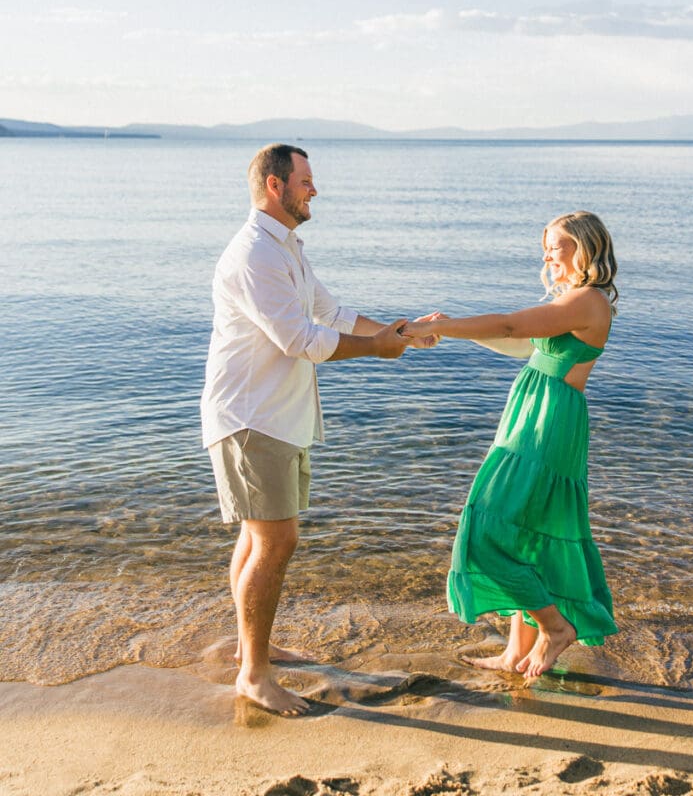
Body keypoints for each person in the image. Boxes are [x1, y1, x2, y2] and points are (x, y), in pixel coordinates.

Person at [201, 143, 434, 716]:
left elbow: (331, 316)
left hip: (274, 416)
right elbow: (298, 340)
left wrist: (399, 332)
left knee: (257, 539)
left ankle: (249, 651)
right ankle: (254, 675)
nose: (315, 189)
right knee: (278, 541)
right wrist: (376, 351)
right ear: (276, 186)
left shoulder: (287, 249)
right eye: (306, 180)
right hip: (251, 418)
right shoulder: (255, 252)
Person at [403, 211, 619, 679]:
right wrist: (451, 331)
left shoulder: (587, 300)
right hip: (537, 414)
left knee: (487, 529)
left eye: (555, 246)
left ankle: (555, 628)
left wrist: (448, 325)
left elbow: (509, 326)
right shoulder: (576, 302)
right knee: (523, 533)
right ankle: (513, 653)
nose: (546, 255)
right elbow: (525, 348)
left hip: (547, 422)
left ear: (584, 248)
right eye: (545, 246)